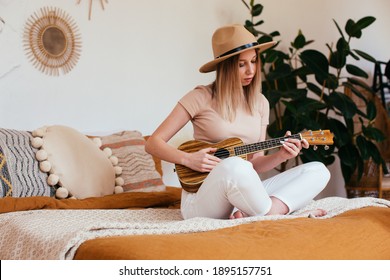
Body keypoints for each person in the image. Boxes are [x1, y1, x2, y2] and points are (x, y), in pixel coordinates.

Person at [145, 24, 330, 220]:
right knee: (236, 166)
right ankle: (277, 215)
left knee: (318, 171)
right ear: (225, 67)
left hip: (243, 193)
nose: (250, 70)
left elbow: (255, 163)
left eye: (254, 61)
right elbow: (152, 143)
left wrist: (282, 156)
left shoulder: (260, 103)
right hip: (201, 199)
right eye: (241, 64)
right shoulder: (200, 97)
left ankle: (259, 213)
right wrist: (188, 159)